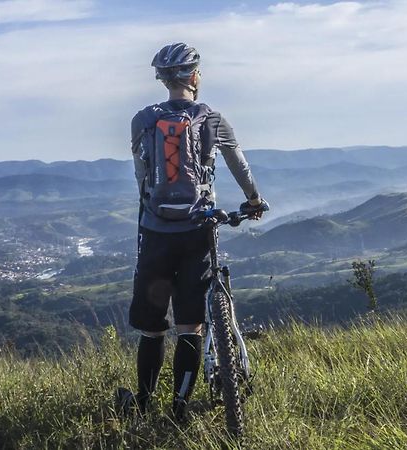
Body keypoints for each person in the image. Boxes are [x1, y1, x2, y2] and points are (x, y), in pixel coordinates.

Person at [116, 42, 268, 422]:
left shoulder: (142, 120)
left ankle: (143, 405)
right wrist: (253, 200)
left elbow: (141, 176)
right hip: (198, 230)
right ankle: (179, 407)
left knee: (152, 330)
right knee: (190, 325)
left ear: (163, 79)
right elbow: (239, 165)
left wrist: (153, 209)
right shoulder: (212, 118)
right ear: (195, 76)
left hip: (155, 232)